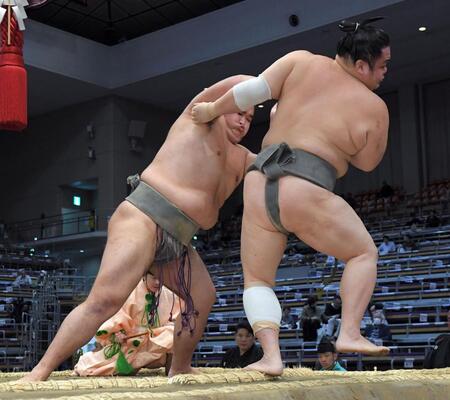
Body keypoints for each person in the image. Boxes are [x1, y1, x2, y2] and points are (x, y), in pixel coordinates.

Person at [20, 75, 255, 382]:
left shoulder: (245, 158)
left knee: (203, 296)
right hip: (144, 217)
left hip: (180, 238)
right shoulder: (197, 118)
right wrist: (267, 82)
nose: (244, 121)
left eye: (251, 118)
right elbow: (224, 87)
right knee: (105, 300)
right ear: (224, 106)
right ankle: (41, 370)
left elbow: (278, 165)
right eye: (239, 112)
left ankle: (180, 366)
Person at [192, 17, 391, 375]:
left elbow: (253, 91)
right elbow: (367, 162)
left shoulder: (300, 60)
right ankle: (349, 332)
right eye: (382, 66)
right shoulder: (374, 106)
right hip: (305, 187)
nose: (384, 73)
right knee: (363, 253)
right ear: (361, 65)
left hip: (257, 184)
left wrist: (210, 110)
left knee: (256, 279)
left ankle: (270, 357)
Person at [74, 273, 181, 376]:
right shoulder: (130, 292)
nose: (158, 282)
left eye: (161, 278)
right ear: (144, 275)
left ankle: (173, 370)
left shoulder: (170, 294)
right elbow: (117, 319)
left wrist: (165, 329)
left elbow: (176, 319)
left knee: (173, 333)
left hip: (158, 341)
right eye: (154, 278)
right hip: (130, 341)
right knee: (92, 369)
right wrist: (118, 334)